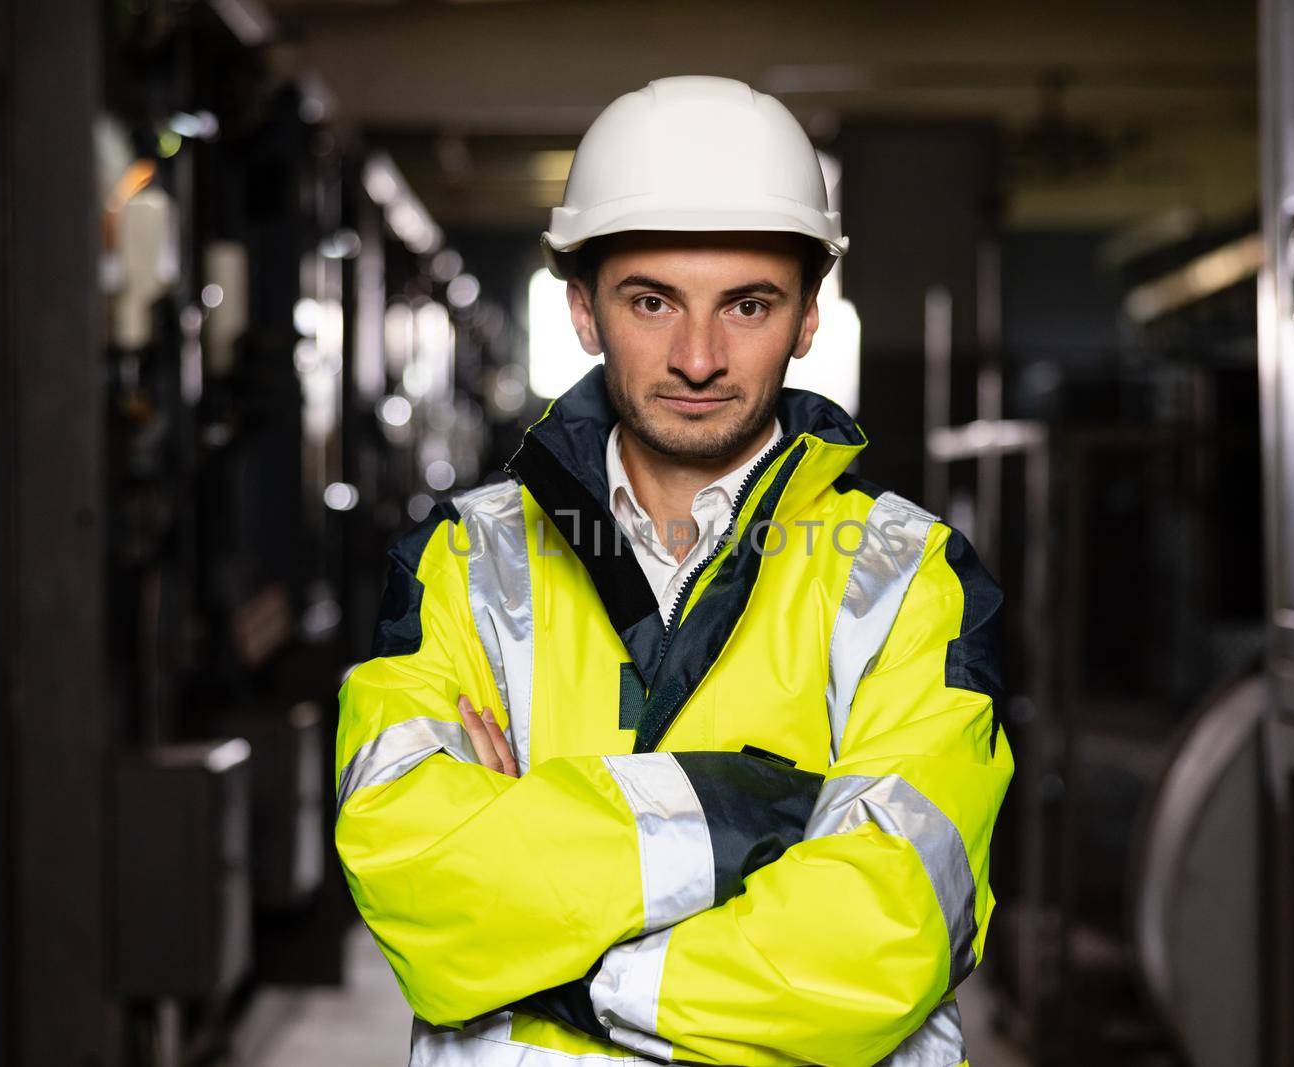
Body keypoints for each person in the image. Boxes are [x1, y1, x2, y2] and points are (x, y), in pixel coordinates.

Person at [334, 75, 1013, 1067]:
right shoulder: (464, 559)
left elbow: (879, 940)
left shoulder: (911, 577)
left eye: (747, 304)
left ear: (811, 317)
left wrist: (557, 950)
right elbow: (415, 865)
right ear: (581, 310)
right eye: (651, 301)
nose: (698, 356)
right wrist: (762, 816)